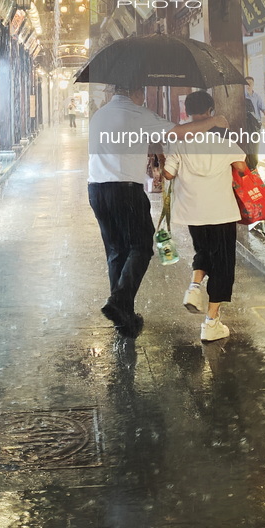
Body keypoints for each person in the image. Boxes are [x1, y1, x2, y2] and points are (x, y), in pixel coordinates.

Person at [88, 84, 174, 338]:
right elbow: (178, 131)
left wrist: (154, 151)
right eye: (142, 92)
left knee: (116, 251)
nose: (143, 97)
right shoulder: (137, 112)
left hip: (97, 189)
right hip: (125, 190)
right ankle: (119, 300)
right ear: (135, 92)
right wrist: (214, 121)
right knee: (141, 246)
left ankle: (124, 318)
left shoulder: (101, 114)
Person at [163, 90, 247, 342]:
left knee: (203, 251)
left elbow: (168, 175)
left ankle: (194, 287)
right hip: (221, 211)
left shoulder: (179, 142)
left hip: (193, 211)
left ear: (188, 112)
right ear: (210, 110)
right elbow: (242, 168)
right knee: (222, 264)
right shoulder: (224, 141)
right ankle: (211, 323)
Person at [245, 76, 265, 171]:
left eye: (250, 83)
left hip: (255, 125)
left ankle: (254, 166)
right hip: (246, 124)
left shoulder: (257, 96)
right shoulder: (242, 96)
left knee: (255, 145)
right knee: (247, 144)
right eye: (246, 83)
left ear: (253, 84)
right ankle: (248, 166)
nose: (248, 85)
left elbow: (263, 108)